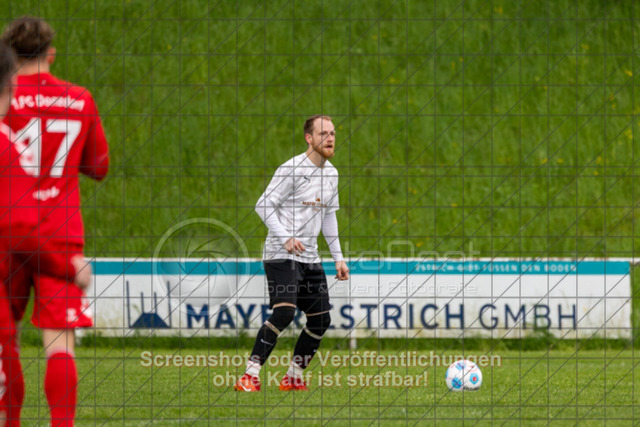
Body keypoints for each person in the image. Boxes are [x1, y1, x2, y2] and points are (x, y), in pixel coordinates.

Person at [1, 16, 109, 426]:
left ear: (9, 56)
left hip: (8, 231)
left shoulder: (7, 97)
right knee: (59, 344)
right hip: (60, 235)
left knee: (5, 342)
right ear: (51, 53)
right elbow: (98, 167)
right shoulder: (79, 98)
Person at [235, 115, 349, 392]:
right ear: (309, 138)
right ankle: (249, 376)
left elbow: (328, 217)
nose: (330, 138)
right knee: (284, 313)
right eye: (323, 133)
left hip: (310, 257)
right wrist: (285, 237)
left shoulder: (332, 174)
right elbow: (263, 205)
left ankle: (293, 377)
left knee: (321, 320)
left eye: (333, 133)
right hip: (280, 254)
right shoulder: (292, 168)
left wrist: (338, 257)